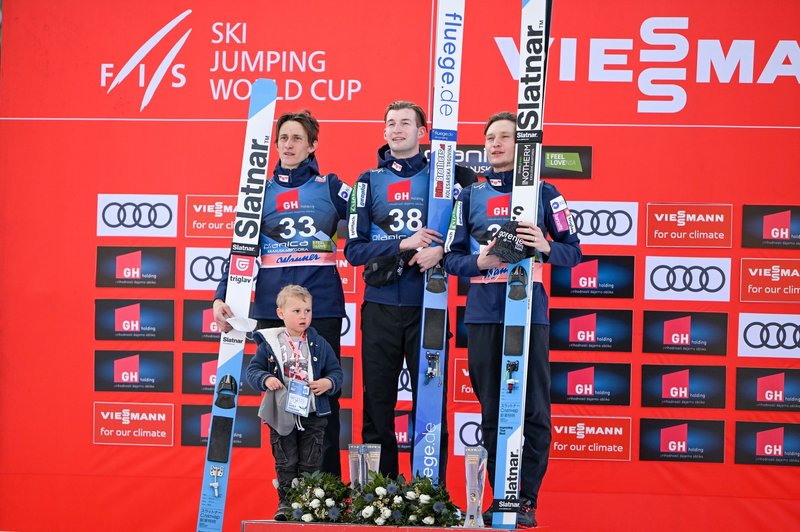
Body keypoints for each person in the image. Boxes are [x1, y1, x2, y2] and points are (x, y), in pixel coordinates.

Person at [443, 112, 582, 528]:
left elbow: (573, 251)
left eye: (506, 137)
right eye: (491, 138)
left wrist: (545, 245)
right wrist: (480, 261)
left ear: (523, 147)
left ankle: (526, 500)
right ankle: (500, 496)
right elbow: (451, 258)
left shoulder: (546, 190)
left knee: (535, 410)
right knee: (492, 412)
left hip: (530, 313)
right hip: (485, 314)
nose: (496, 144)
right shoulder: (469, 196)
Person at [213, 110, 350, 476]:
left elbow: (369, 223)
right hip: (274, 311)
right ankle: (291, 490)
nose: (288, 145)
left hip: (319, 309)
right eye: (283, 139)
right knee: (280, 400)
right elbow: (240, 250)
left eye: (297, 139)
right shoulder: (259, 191)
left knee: (322, 397)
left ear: (312, 145)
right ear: (275, 144)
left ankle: (328, 490)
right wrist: (220, 294)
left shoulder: (331, 186)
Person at [344, 101, 475, 480]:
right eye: (390, 123)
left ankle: (429, 493)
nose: (397, 129)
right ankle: (376, 496)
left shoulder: (450, 177)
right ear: (384, 133)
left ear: (422, 132)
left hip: (429, 307)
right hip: (381, 306)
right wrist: (404, 243)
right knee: (377, 406)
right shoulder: (367, 182)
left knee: (431, 405)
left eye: (406, 123)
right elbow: (353, 250)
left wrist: (442, 249)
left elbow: (475, 228)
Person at [246, 284, 344, 521]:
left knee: (311, 460)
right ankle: (287, 504)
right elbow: (253, 370)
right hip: (281, 413)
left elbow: (337, 373)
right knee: (286, 460)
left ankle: (307, 503)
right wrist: (266, 378)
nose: (303, 316)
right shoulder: (270, 343)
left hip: (312, 412)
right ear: (281, 313)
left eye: (308, 311)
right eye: (297, 311)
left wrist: (328, 383)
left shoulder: (319, 343)